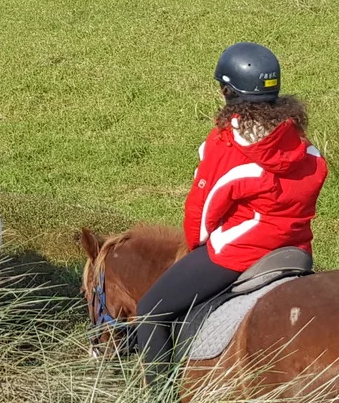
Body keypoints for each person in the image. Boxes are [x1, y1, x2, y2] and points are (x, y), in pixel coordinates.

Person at [128, 42, 327, 380]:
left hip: (238, 253)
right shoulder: (300, 142)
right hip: (294, 250)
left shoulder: (227, 147)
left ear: (227, 91)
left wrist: (197, 248)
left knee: (149, 310)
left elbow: (201, 218)